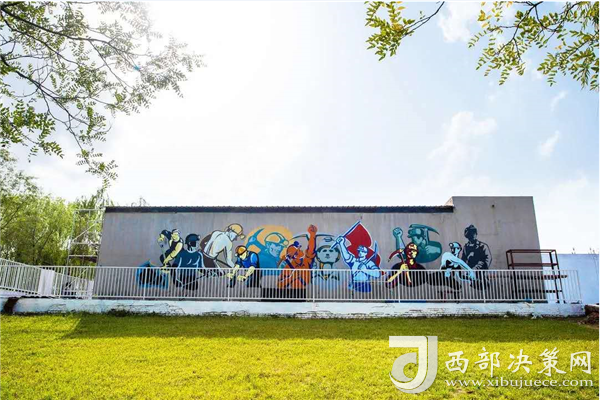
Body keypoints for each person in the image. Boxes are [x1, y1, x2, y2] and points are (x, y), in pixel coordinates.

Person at [278, 225, 317, 289]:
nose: (301, 250)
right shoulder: (288, 267)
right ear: (295, 255)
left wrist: (312, 235)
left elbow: (311, 249)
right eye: (299, 250)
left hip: (304, 290)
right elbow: (279, 284)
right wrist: (292, 278)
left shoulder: (306, 260)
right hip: (292, 292)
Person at [462, 225, 492, 290]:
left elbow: (487, 259)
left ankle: (481, 282)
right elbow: (463, 260)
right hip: (471, 276)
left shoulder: (482, 246)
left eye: (474, 233)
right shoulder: (465, 247)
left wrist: (477, 269)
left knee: (483, 287)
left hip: (480, 274)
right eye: (471, 233)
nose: (473, 235)